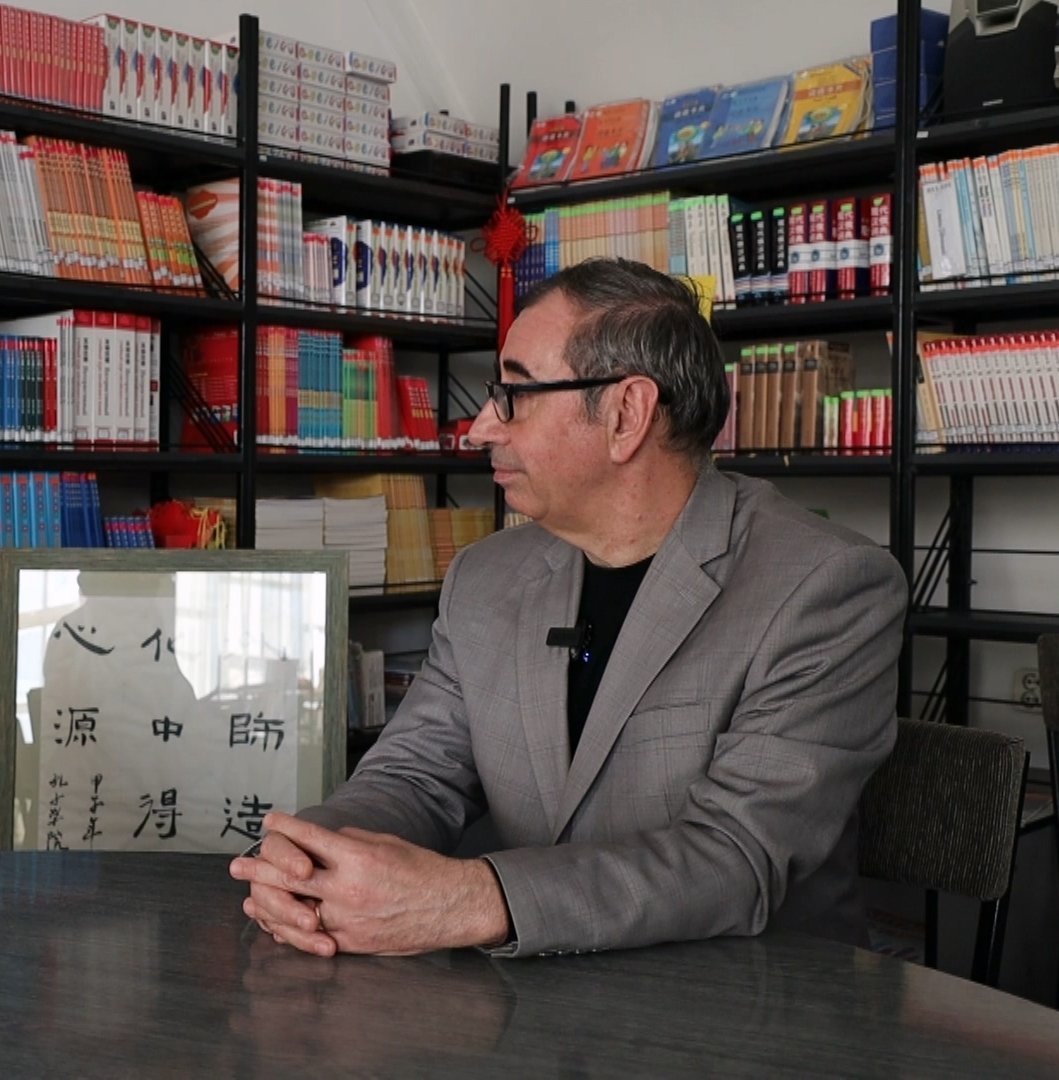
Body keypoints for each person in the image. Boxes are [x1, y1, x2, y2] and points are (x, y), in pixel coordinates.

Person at [231, 257, 906, 958]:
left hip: (746, 996)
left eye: (514, 394)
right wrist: (308, 864)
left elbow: (736, 857)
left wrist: (471, 901)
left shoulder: (824, 586)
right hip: (530, 992)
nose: (479, 429)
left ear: (626, 414)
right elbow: (414, 775)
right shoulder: (486, 576)